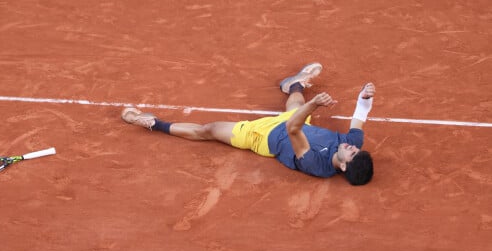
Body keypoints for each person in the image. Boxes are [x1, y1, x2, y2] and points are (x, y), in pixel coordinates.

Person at [121, 63, 375, 185]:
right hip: (297, 121)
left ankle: (153, 123)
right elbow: (361, 113)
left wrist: (315, 105)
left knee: (208, 130)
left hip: (264, 137)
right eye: (355, 149)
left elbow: (292, 129)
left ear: (342, 166)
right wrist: (365, 95)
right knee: (295, 102)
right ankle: (293, 84)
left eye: (351, 154)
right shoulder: (350, 143)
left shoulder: (315, 165)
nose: (352, 148)